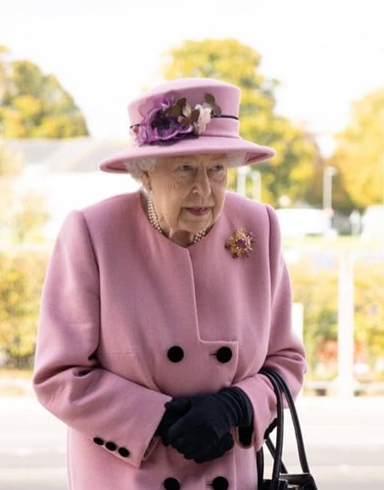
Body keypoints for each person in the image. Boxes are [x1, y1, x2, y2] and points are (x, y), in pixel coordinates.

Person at [33, 77, 307, 490]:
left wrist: (237, 406)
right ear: (143, 173)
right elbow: (59, 375)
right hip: (128, 478)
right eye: (184, 168)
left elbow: (287, 361)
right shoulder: (94, 233)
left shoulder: (258, 226)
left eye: (217, 169)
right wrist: (154, 418)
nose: (203, 188)